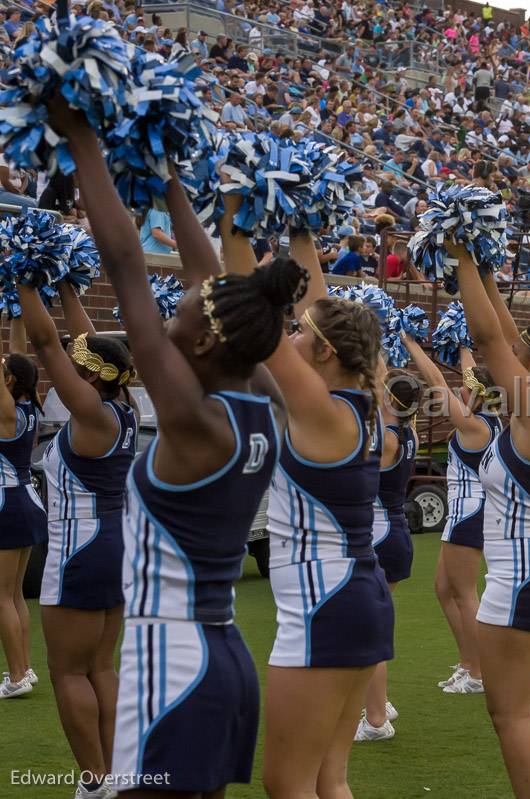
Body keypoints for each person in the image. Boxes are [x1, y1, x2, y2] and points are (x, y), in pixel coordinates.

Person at [51, 101, 302, 795]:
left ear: (199, 344)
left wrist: (83, 143)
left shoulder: (196, 422)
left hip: (173, 659)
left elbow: (128, 269)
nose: (169, 312)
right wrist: (164, 175)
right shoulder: (253, 402)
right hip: (221, 654)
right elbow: (208, 275)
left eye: (179, 314)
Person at [220, 190, 393, 797]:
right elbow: (323, 312)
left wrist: (236, 208)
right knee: (326, 782)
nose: (289, 334)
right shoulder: (356, 399)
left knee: (287, 784)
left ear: (322, 351)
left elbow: (249, 311)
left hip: (328, 603)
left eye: (300, 332)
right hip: (351, 595)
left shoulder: (320, 410)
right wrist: (300, 227)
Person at [450, 234, 530, 799]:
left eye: (523, 350)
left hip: (528, 571)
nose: (511, 351)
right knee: (505, 711)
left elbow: (487, 338)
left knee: (511, 713)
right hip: (524, 566)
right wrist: (482, 266)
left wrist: (458, 259)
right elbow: (502, 336)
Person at [18, 279, 134, 793]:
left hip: (81, 548)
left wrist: (25, 279)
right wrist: (65, 283)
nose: (72, 361)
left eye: (79, 363)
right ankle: (111, 772)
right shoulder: (120, 405)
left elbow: (48, 346)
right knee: (99, 667)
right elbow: (91, 345)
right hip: (115, 543)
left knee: (67, 671)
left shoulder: (91, 414)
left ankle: (94, 779)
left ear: (88, 375)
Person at [404, 341, 500, 695]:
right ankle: (467, 662)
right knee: (443, 590)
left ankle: (479, 672)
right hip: (463, 513)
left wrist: (411, 345)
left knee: (463, 593)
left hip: (470, 513)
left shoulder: (475, 425)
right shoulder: (485, 417)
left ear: (475, 393)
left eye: (466, 385)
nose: (460, 386)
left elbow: (437, 384)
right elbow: (468, 376)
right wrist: (460, 342)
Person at [356, 371, 423, 742]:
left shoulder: (389, 438)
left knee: (368, 630)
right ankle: (378, 702)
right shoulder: (407, 431)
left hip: (381, 534)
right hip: (392, 532)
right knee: (372, 624)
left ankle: (377, 719)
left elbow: (361, 476)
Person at [0, 346, 44, 700]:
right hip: (27, 500)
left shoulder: (8, 412)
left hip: (8, 503)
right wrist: (13, 309)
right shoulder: (29, 406)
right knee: (14, 595)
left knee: (2, 596)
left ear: (10, 380)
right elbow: (17, 354)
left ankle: (16, 676)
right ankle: (24, 667)